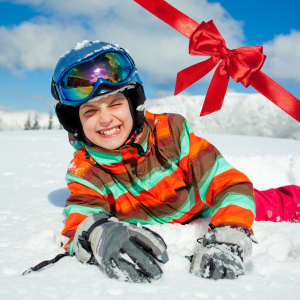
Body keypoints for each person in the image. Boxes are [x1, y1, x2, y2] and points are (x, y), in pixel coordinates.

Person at [51, 40, 300, 282]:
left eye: (115, 103)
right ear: (75, 123)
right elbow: (81, 220)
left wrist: (230, 233)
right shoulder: (86, 171)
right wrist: (100, 236)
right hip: (160, 220)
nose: (105, 120)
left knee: (263, 203)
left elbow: (230, 184)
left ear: (133, 106)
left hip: (207, 205)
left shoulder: (171, 133)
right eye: (91, 111)